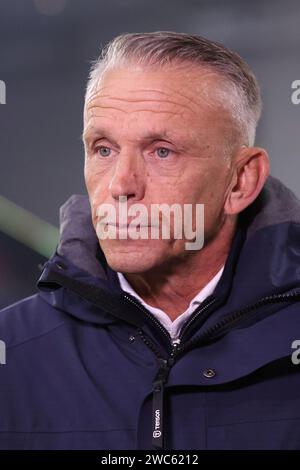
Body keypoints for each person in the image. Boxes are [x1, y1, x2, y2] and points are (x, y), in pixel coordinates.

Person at [0, 31, 300, 451]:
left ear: (241, 181)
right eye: (103, 149)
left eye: (162, 151)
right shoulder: (11, 354)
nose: (121, 185)